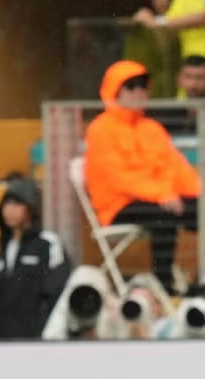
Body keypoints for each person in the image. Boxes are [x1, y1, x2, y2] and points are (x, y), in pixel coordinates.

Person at [84, 61, 201, 296]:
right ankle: (164, 287)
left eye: (143, 86)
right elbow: (119, 178)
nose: (139, 91)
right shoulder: (100, 129)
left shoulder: (152, 128)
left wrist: (197, 192)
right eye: (131, 86)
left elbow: (173, 166)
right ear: (114, 91)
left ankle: (199, 280)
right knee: (164, 216)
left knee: (200, 210)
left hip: (157, 198)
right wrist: (163, 195)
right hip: (117, 205)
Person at [0, 177, 71, 340]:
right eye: (6, 203)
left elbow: (57, 292)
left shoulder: (47, 244)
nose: (9, 210)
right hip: (2, 341)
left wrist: (46, 334)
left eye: (17, 204)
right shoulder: (4, 249)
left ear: (31, 208)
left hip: (37, 341)